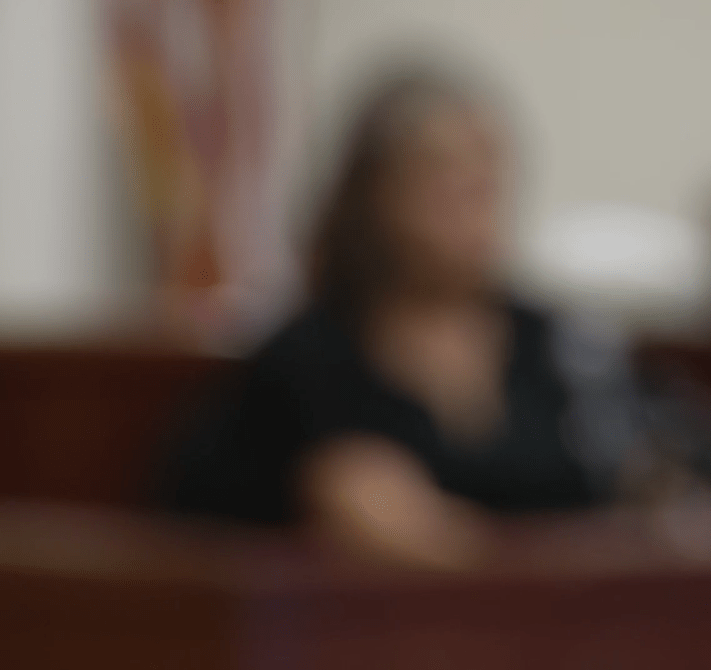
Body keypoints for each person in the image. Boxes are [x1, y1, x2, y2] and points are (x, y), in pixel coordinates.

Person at [158, 62, 601, 569]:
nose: (473, 190)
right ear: (376, 193)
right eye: (441, 171)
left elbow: (648, 480)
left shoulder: (564, 347)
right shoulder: (308, 361)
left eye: (487, 166)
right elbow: (202, 521)